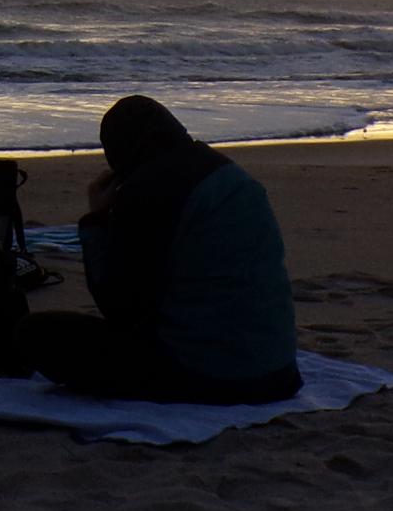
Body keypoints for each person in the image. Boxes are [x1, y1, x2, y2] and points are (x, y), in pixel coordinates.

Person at [15, 95, 300, 404]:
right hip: (279, 369)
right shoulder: (229, 172)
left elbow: (120, 309)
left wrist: (97, 219)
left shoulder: (146, 191)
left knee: (35, 335)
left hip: (211, 375)